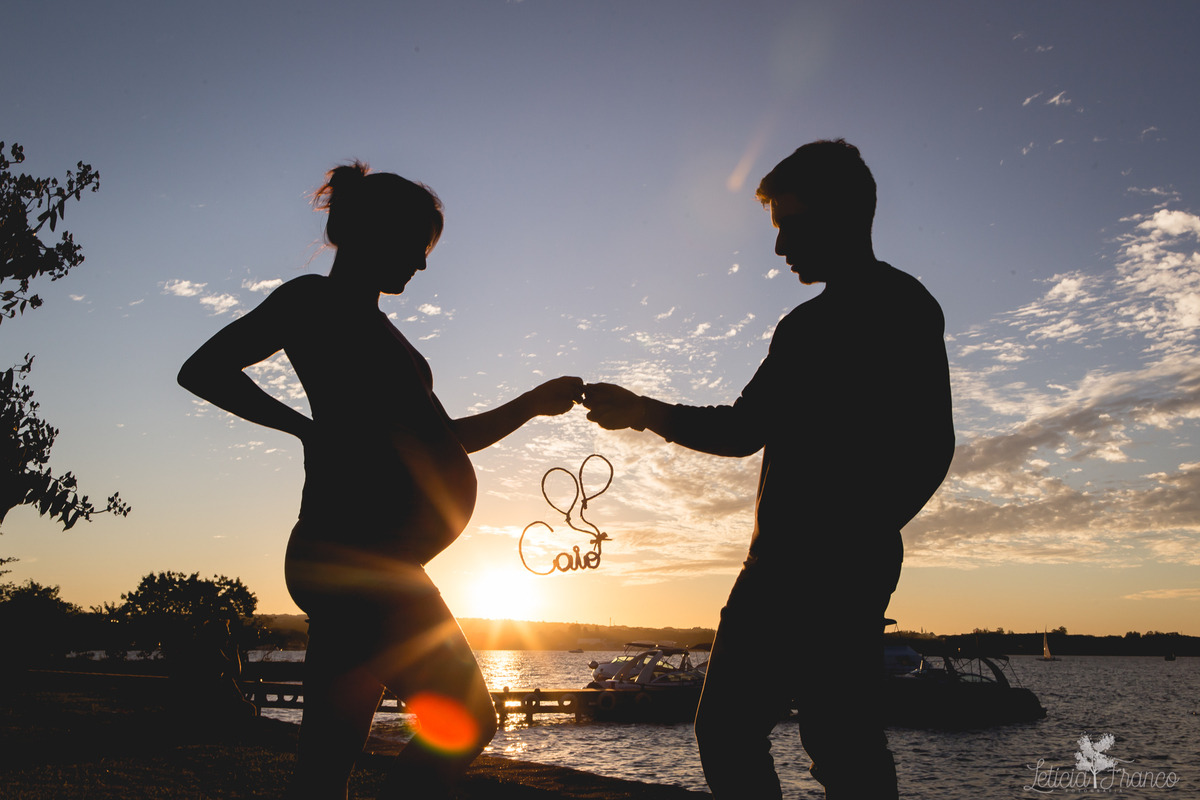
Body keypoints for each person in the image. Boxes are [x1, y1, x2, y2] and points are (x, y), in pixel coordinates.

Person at [178, 161, 584, 799]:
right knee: (469, 718)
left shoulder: (389, 336)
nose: (421, 265)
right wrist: (305, 429)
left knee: (324, 767)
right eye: (415, 246)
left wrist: (532, 404)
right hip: (357, 556)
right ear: (375, 233)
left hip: (367, 559)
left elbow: (449, 439)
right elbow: (203, 368)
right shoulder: (313, 301)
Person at [583, 139, 954, 799]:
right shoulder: (808, 325)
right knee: (786, 737)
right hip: (782, 566)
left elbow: (932, 446)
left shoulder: (896, 308)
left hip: (826, 567)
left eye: (789, 224)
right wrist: (642, 411)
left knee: (822, 741)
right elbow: (745, 429)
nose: (780, 247)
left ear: (839, 214)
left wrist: (858, 533)